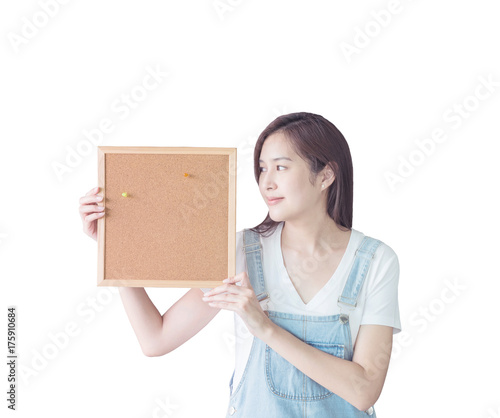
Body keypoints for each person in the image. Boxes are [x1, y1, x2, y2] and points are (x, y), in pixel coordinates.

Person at [79, 112, 401, 417]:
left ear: (326, 175)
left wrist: (264, 327)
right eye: (262, 168)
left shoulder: (375, 261)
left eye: (281, 167)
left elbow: (364, 390)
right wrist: (115, 247)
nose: (267, 182)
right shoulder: (242, 252)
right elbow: (156, 338)